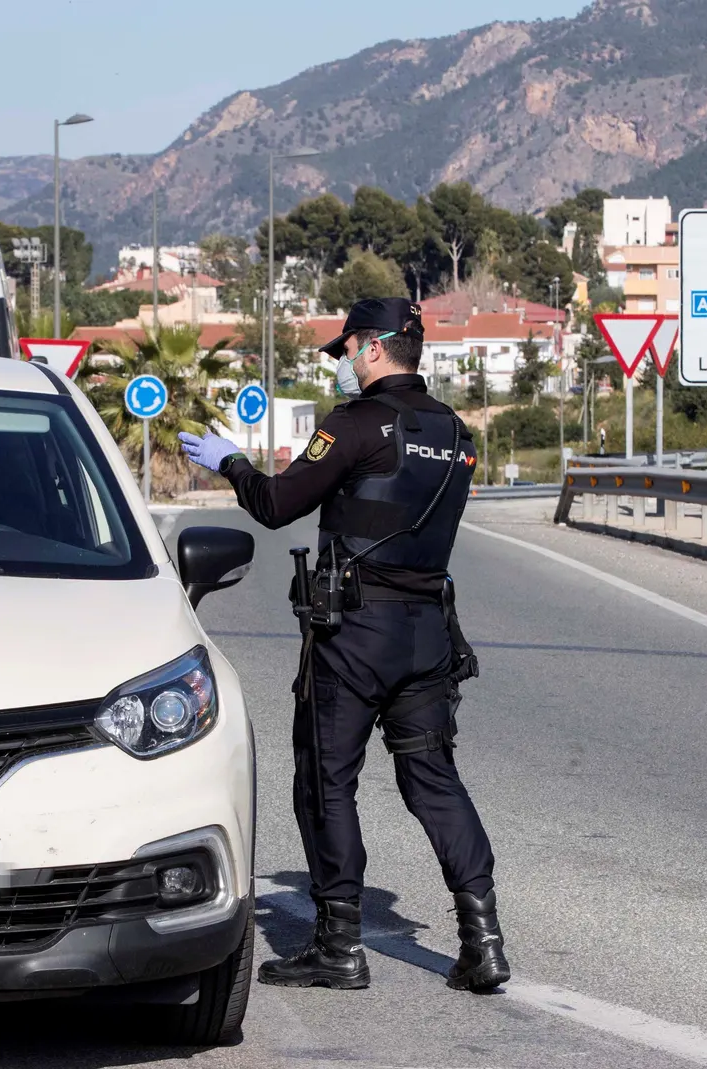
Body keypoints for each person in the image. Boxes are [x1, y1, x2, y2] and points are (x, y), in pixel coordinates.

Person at [177, 297, 510, 994]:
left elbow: (274, 504)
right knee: (433, 780)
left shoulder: (356, 425)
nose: (343, 365)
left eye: (347, 351)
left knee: (325, 780)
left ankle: (338, 945)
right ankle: (483, 938)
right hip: (426, 633)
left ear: (374, 347)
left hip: (357, 635)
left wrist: (231, 462)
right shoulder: (454, 432)